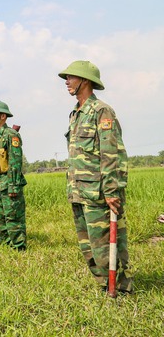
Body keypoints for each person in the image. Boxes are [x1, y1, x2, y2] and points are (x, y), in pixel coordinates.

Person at [59, 60, 132, 295]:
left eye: (71, 77)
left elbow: (111, 153)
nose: (67, 82)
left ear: (85, 80)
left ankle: (120, 288)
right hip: (79, 191)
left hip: (99, 192)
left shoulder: (101, 111)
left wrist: (112, 190)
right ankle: (103, 284)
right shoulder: (75, 114)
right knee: (88, 245)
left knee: (105, 244)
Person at [0, 101, 27, 250]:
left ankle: (19, 249)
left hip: (8, 185)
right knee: (0, 219)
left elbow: (15, 162)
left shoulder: (10, 135)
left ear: (3, 116)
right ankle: (7, 248)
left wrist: (13, 186)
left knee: (13, 218)